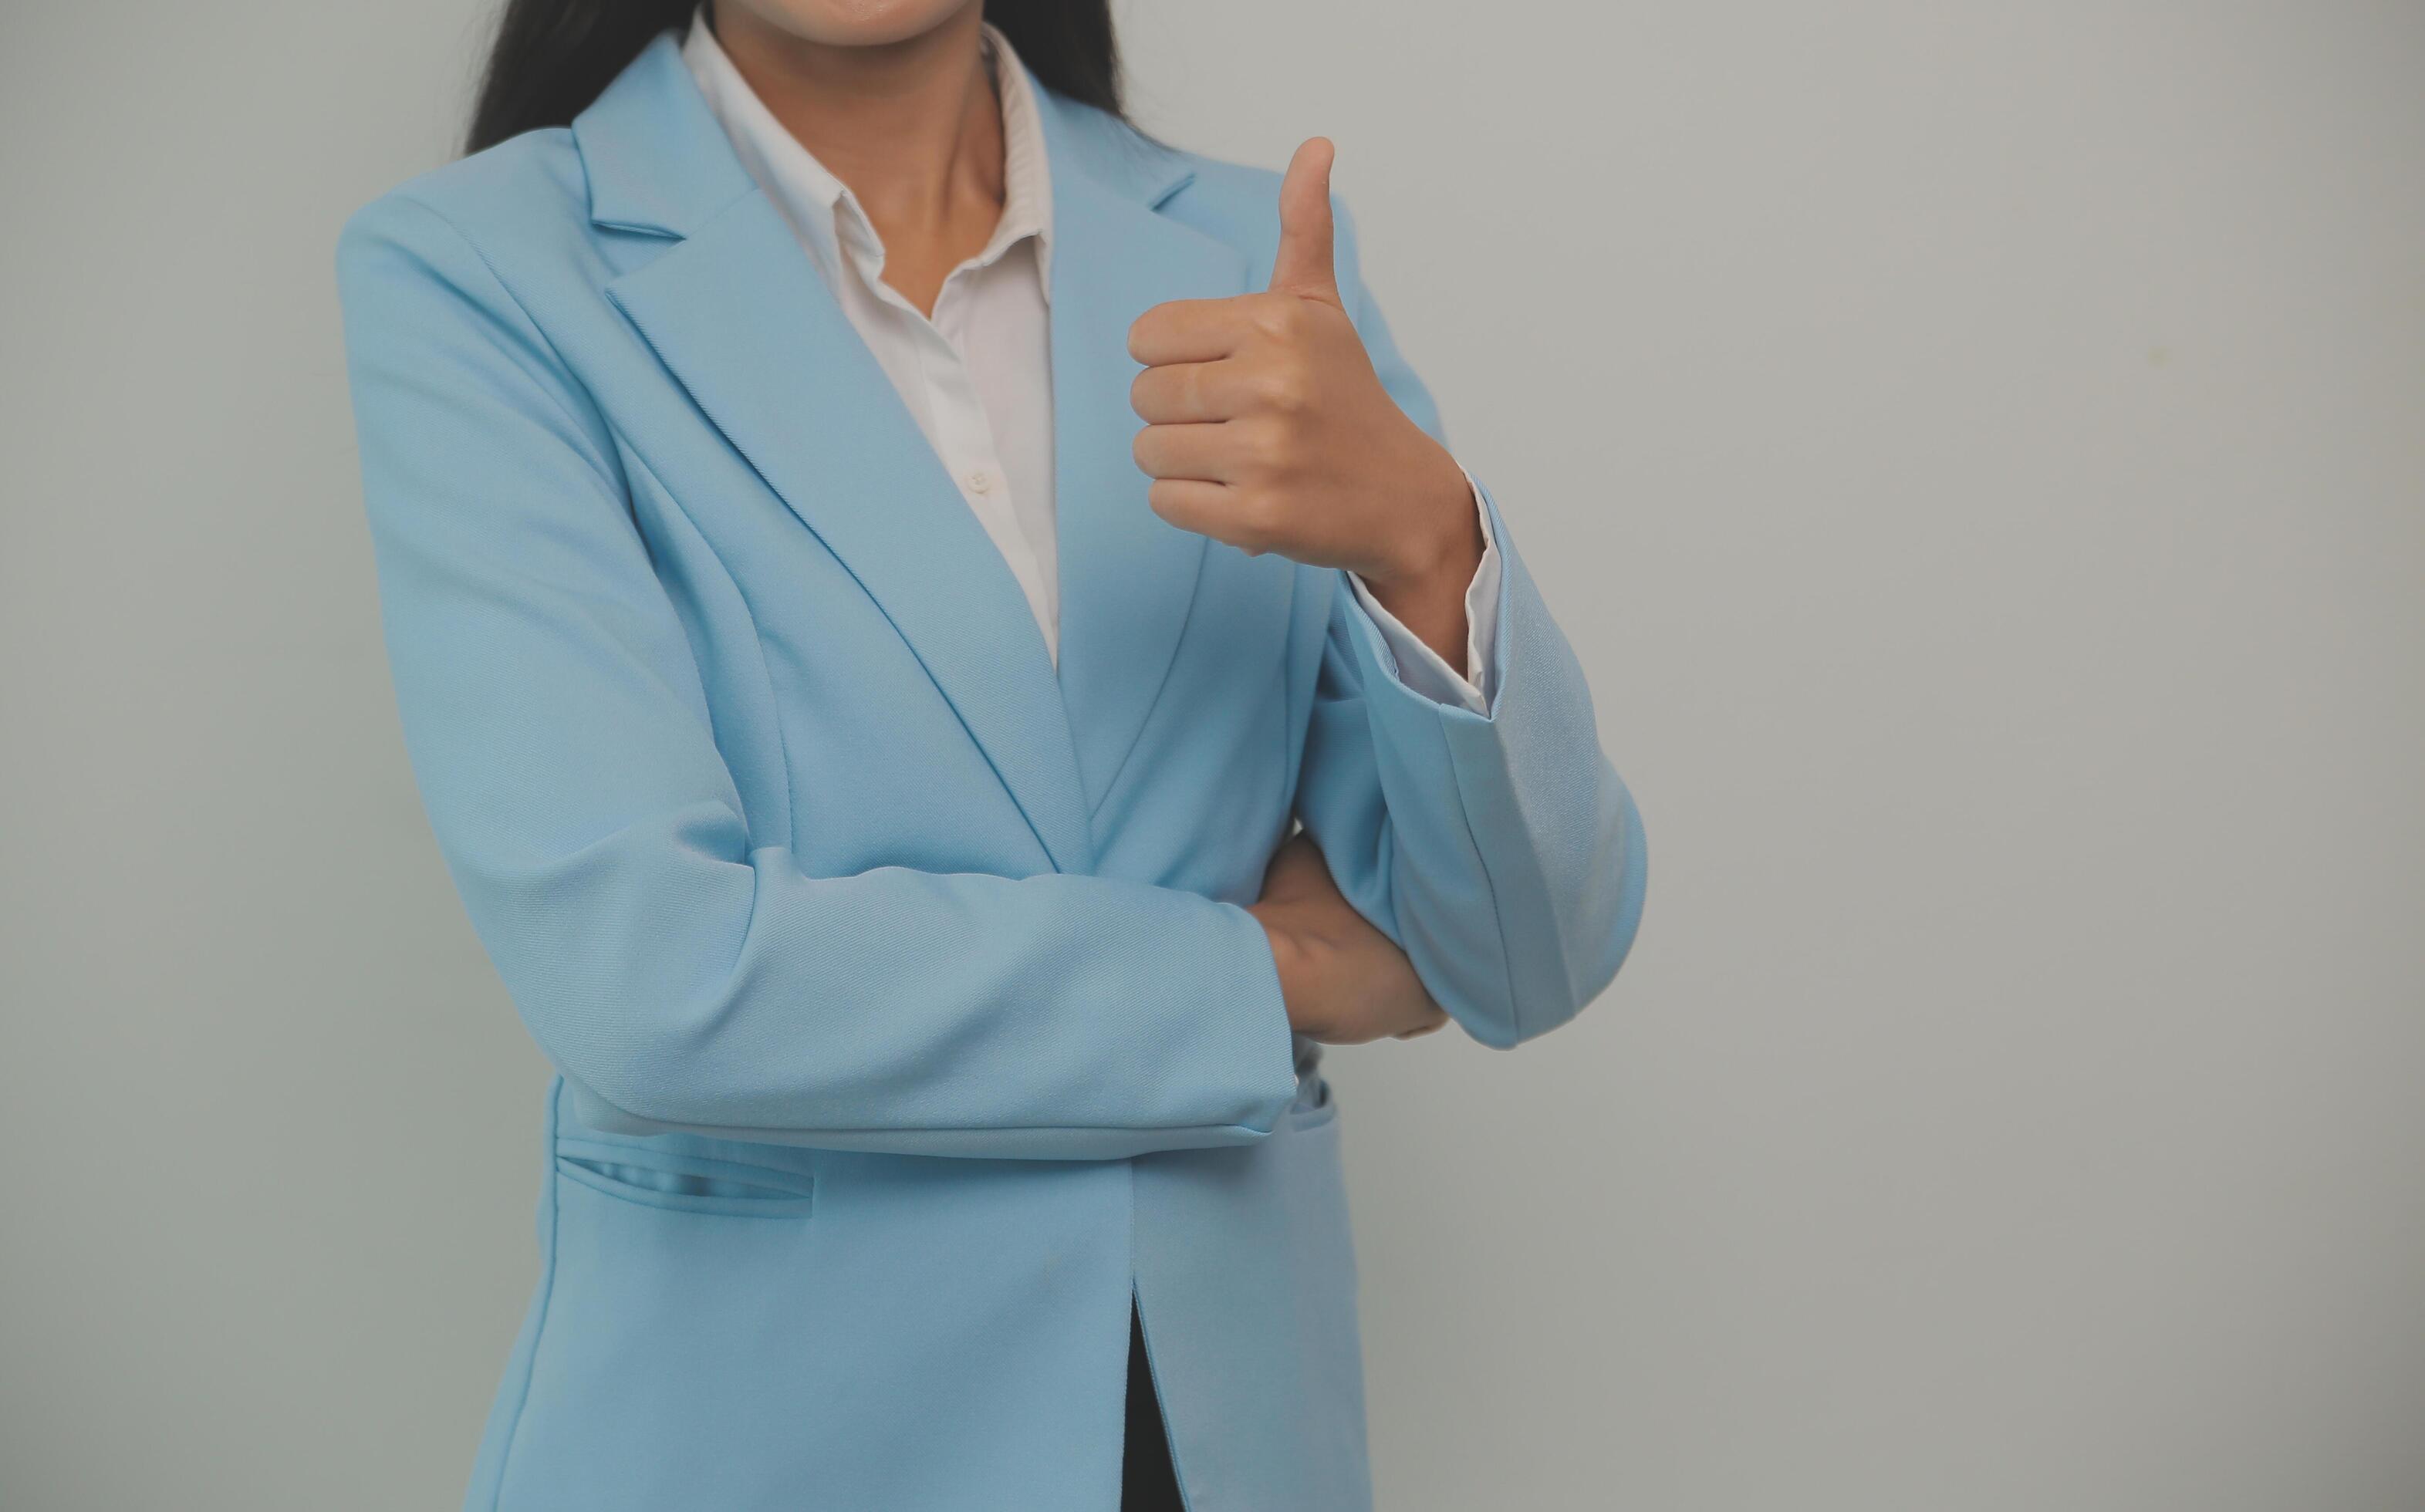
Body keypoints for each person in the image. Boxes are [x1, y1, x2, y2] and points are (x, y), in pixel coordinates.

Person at [333, 2, 1647, 1507]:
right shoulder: (482, 269)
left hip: (1228, 1435)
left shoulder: (1246, 246)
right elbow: (652, 973)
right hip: (761, 1439)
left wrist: (1424, 533)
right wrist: (1255, 975)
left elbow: (1523, 955)